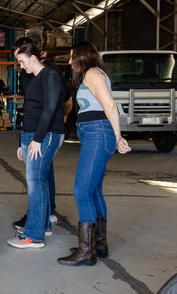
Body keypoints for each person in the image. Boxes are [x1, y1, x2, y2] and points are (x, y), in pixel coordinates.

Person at [57, 42, 131, 266]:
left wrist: (118, 136)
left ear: (82, 57)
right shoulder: (95, 74)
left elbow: (110, 106)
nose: (70, 62)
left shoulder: (92, 74)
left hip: (98, 134)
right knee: (95, 191)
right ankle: (98, 244)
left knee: (81, 191)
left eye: (72, 57)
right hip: (96, 134)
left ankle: (86, 251)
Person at [7, 42, 65, 249]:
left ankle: (34, 235)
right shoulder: (34, 78)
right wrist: (21, 142)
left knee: (36, 184)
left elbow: (49, 109)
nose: (21, 66)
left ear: (33, 58)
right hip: (31, 134)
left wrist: (37, 139)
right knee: (40, 181)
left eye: (22, 61)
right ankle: (43, 226)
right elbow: (30, 111)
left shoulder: (49, 75)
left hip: (45, 135)